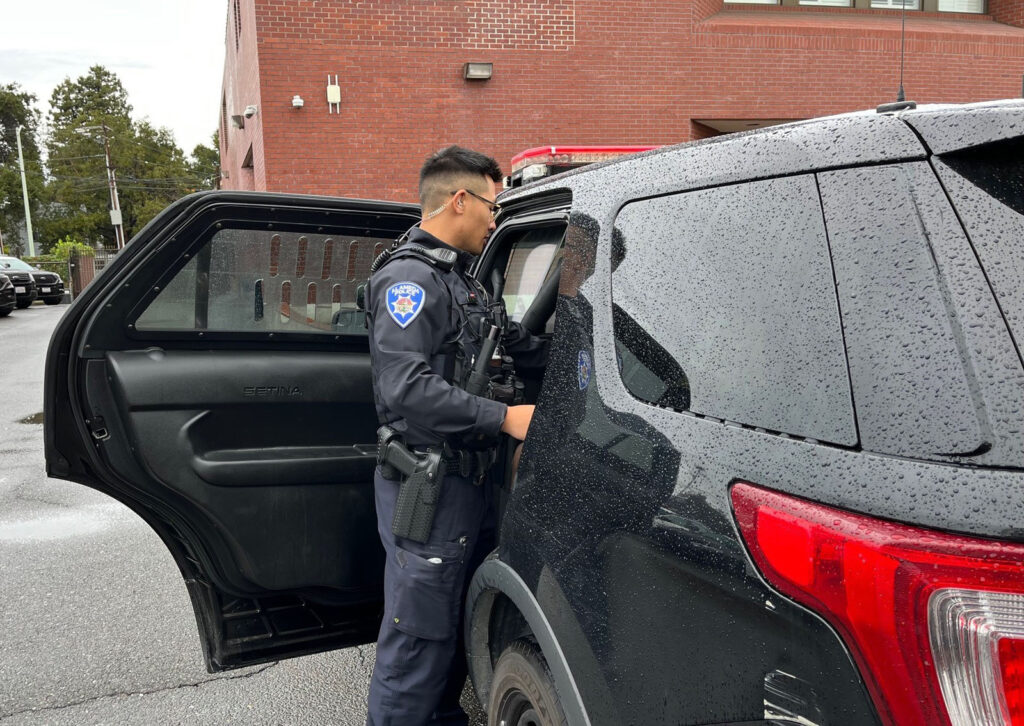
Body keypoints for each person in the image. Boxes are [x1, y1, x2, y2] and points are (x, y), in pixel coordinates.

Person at [365, 145, 547, 725]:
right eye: (493, 205)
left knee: (455, 633)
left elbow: (524, 346)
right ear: (459, 199)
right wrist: (506, 418)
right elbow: (406, 389)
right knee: (418, 639)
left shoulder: (464, 285)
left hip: (468, 485)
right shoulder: (408, 282)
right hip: (429, 484)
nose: (497, 219)